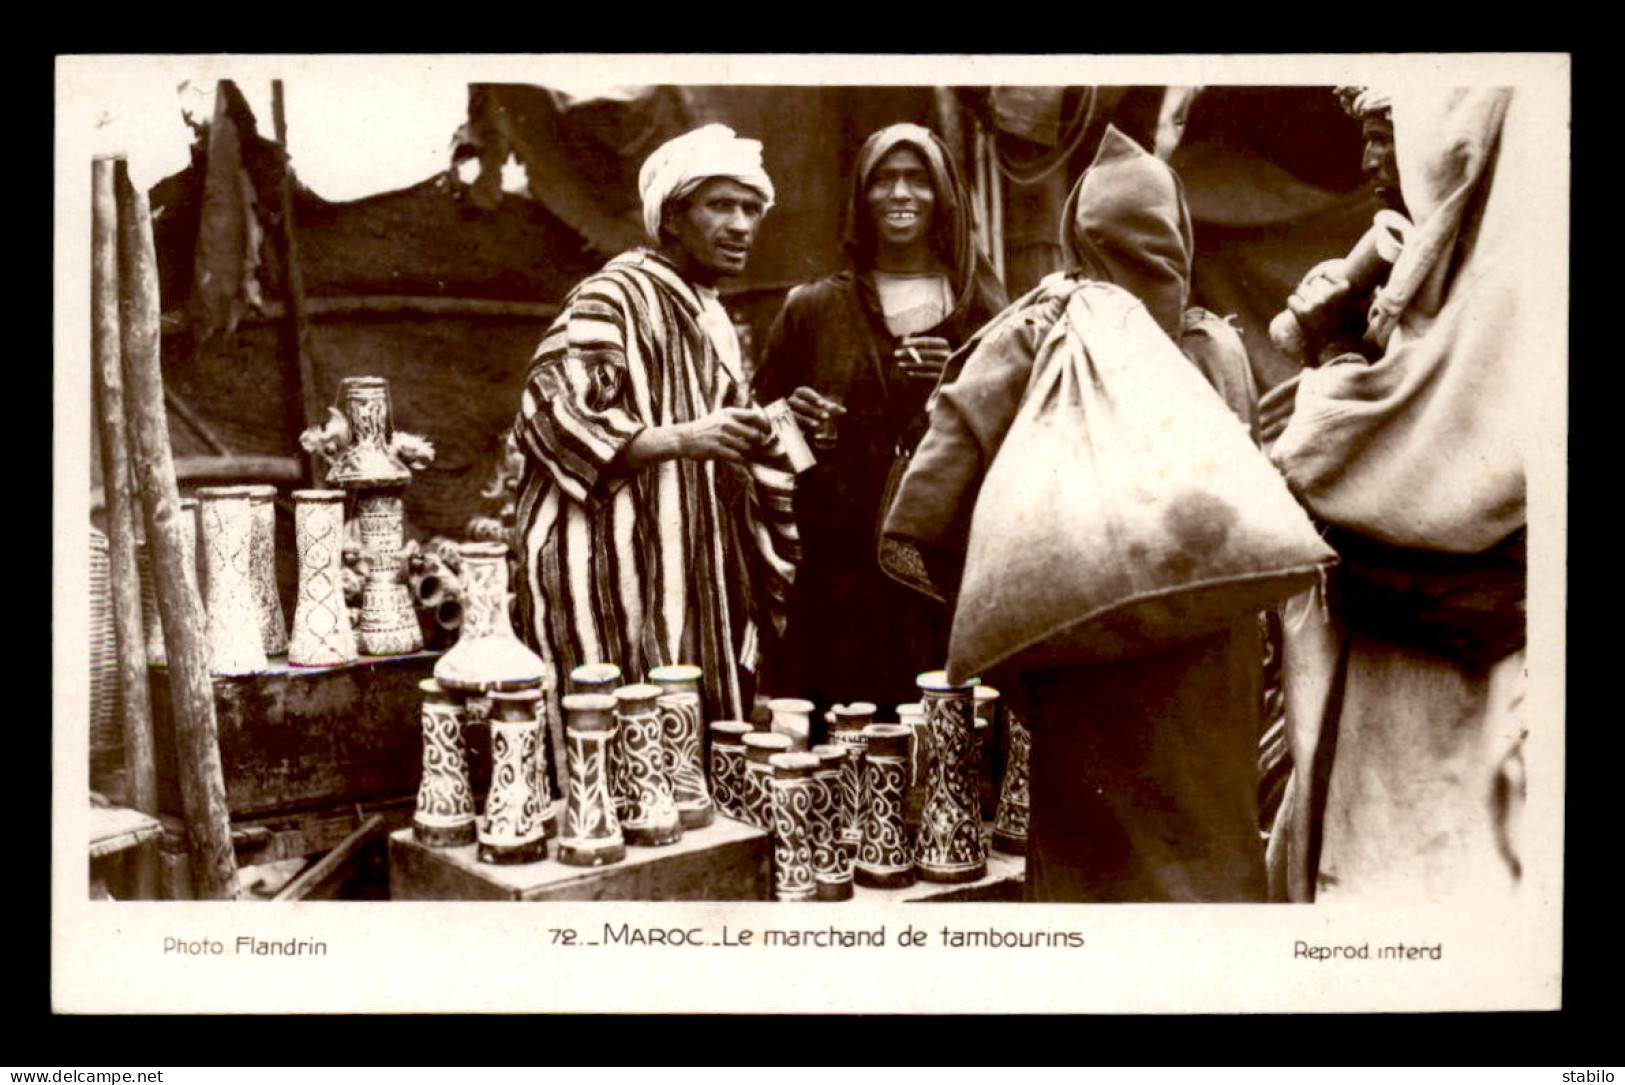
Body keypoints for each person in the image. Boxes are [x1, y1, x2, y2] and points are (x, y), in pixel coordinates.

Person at [882, 126, 1266, 902]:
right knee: (1204, 864)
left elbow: (919, 512)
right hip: (1212, 666)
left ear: (1077, 237)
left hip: (1087, 651)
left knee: (1094, 879)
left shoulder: (1040, 332)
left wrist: (1009, 629)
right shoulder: (1216, 347)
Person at [1261, 87, 1532, 902]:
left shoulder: (1501, 300)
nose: (1373, 164)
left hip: (1455, 679)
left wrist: (1334, 349)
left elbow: (1329, 459)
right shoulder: (1435, 285)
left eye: (1389, 136)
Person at [511, 124, 800, 727]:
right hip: (607, 569)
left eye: (752, 208)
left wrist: (784, 427)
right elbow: (550, 411)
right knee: (608, 739)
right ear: (672, 218)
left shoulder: (708, 312)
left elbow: (726, 427)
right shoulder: (613, 295)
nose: (741, 225)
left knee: (687, 742)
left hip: (689, 565)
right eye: (720, 205)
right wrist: (684, 439)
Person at [751, 123, 1006, 713]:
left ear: (943, 196)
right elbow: (764, 430)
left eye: (917, 179)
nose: (899, 193)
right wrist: (802, 429)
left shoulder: (983, 312)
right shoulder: (812, 310)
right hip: (840, 580)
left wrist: (957, 384)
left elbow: (1020, 437)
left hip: (946, 574)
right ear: (860, 199)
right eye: (883, 180)